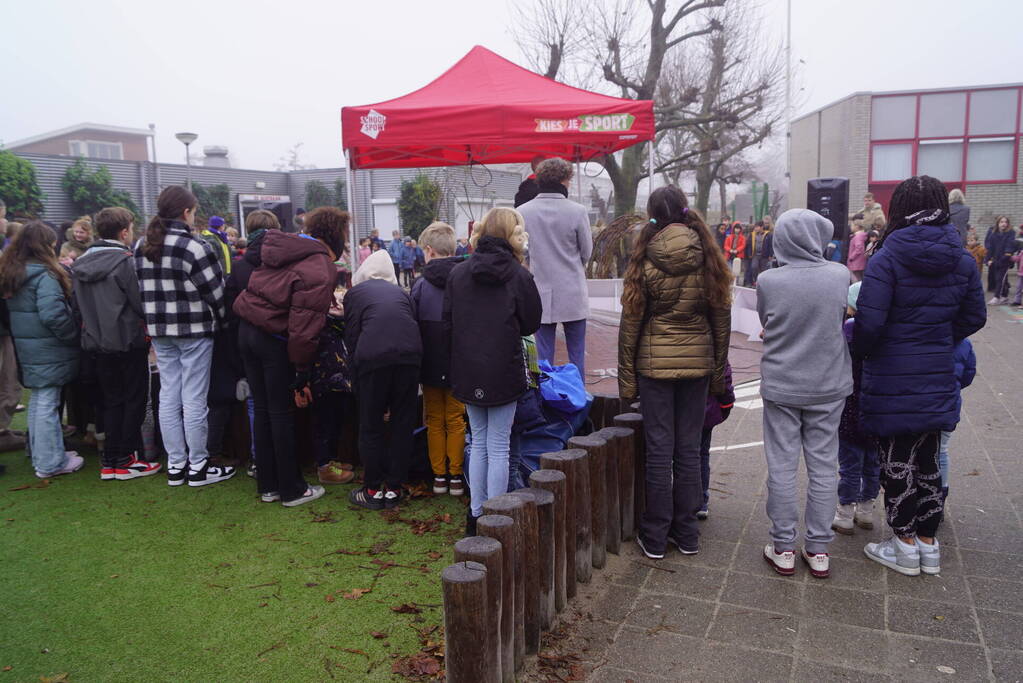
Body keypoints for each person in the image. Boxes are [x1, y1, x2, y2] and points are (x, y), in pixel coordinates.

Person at [854, 175, 986, 577]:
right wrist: (939, 337)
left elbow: (869, 325)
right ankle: (928, 542)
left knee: (896, 459)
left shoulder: (888, 257)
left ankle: (903, 543)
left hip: (893, 374)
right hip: (937, 371)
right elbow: (975, 316)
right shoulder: (962, 258)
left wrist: (862, 353)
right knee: (928, 457)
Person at [618, 186, 732, 559]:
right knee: (687, 451)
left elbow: (631, 325)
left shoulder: (644, 258)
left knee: (658, 452)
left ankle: (654, 535)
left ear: (653, 214)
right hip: (697, 367)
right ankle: (687, 534)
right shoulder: (708, 257)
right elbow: (721, 323)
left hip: (654, 369)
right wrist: (717, 377)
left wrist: (627, 381)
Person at [757, 208, 852, 578]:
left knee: (781, 465)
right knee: (825, 466)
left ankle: (782, 547)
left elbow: (768, 320)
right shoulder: (840, 274)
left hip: (782, 383)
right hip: (828, 384)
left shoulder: (768, 280)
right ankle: (818, 548)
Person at [234, 206, 345, 507]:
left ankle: (268, 484)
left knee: (265, 410)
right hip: (272, 339)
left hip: (248, 330)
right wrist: (302, 370)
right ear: (336, 236)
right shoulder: (320, 265)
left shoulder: (284, 249)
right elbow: (304, 328)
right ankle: (292, 489)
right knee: (280, 413)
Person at [445, 207, 541, 533]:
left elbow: (448, 320)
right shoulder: (519, 275)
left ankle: (476, 514)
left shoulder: (459, 273)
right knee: (496, 445)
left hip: (468, 368)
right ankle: (496, 516)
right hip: (503, 368)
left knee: (480, 440)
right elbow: (531, 322)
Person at [136, 186, 234, 487]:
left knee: (168, 396)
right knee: (193, 399)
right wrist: (223, 323)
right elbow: (216, 294)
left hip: (161, 332)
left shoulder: (142, 244)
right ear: (186, 212)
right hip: (194, 332)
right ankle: (198, 464)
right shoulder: (194, 247)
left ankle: (177, 464)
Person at [71, 207, 159, 480]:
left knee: (111, 401)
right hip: (128, 340)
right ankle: (124, 458)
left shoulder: (80, 262)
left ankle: (112, 459)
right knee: (133, 399)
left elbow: (76, 306)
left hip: (96, 342)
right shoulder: (126, 262)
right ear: (124, 232)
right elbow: (139, 301)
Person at [0, 222, 83, 478]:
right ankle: (49, 462)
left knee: (39, 402)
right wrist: (73, 335)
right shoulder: (44, 275)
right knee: (47, 403)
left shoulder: (13, 272)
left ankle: (43, 454)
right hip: (48, 347)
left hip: (29, 347)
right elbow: (53, 316)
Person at [344, 249, 423, 510]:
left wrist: (356, 381)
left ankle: (372, 488)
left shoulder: (355, 294)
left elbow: (352, 338)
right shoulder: (403, 293)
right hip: (410, 358)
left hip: (372, 359)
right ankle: (394, 488)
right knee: (402, 423)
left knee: (370, 424)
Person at [517, 157, 592, 376]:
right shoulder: (577, 211)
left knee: (542, 358)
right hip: (573, 290)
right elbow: (587, 252)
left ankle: (545, 401)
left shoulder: (524, 211)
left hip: (540, 289)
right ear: (565, 180)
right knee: (577, 356)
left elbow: (524, 251)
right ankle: (578, 401)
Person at [411, 222, 466, 496]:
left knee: (434, 418)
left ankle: (439, 477)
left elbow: (413, 321)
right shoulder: (465, 278)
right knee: (456, 418)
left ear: (429, 251)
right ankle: (456, 476)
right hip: (458, 360)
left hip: (430, 360)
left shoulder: (420, 285)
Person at [831, 282, 879, 535]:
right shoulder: (884, 331)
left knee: (849, 464)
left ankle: (844, 513)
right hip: (878, 410)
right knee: (873, 464)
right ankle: (867, 509)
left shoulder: (848, 330)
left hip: (850, 409)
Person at [308, 284, 356, 485]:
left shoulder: (334, 319)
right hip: (324, 378)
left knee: (335, 420)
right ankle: (324, 466)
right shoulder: (318, 318)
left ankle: (331, 461)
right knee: (325, 423)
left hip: (338, 378)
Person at [939, 338, 976, 499]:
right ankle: (941, 495)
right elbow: (968, 374)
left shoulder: (923, 335)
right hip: (949, 405)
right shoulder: (964, 343)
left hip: (921, 405)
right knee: (942, 450)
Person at [698, 362, 735, 520]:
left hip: (666, 403)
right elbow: (722, 371)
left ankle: (669, 503)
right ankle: (700, 501)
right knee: (700, 454)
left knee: (664, 457)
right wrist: (726, 404)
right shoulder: (709, 336)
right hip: (703, 406)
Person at [984, 216, 1017, 304]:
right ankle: (1005, 296)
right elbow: (990, 248)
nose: (1004, 224)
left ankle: (996, 297)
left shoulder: (1011, 233)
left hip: (1005, 261)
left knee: (1000, 279)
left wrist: (1004, 258)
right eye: (1001, 222)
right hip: (996, 260)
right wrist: (987, 260)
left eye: (1005, 222)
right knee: (1003, 279)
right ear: (998, 223)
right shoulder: (993, 234)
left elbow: (1009, 248)